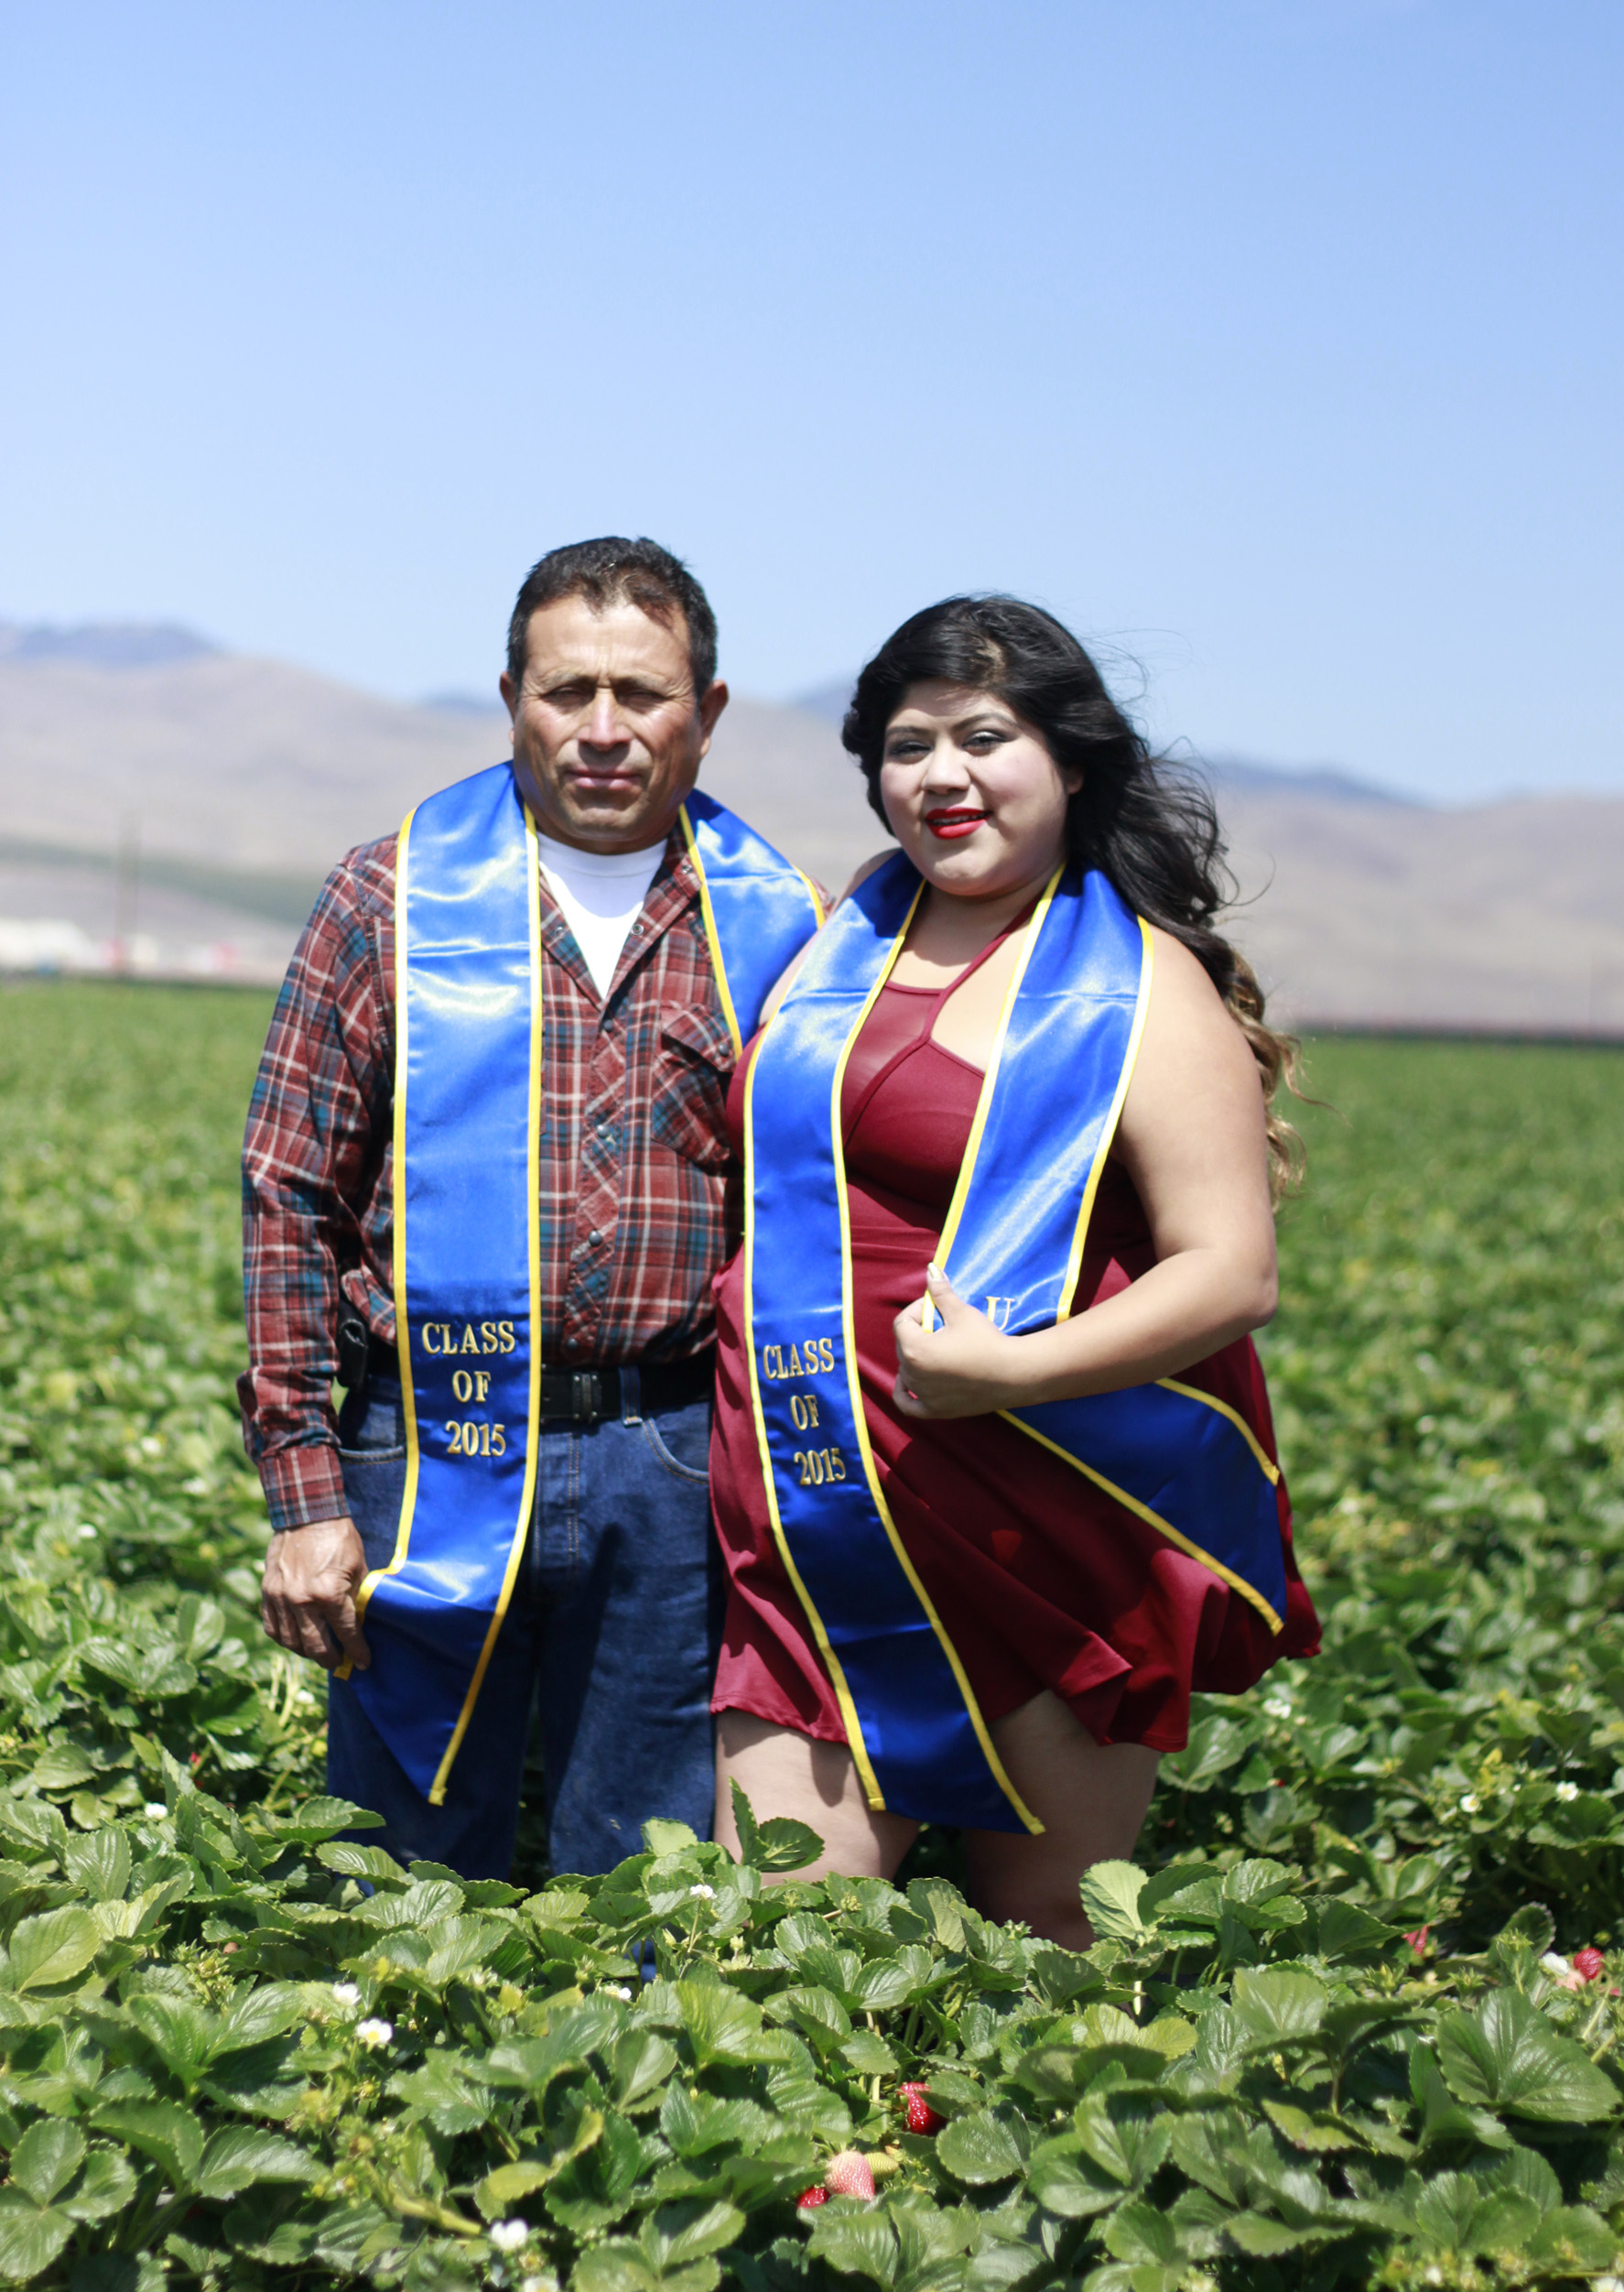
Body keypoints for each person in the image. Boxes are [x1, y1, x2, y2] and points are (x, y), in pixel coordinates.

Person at [709, 595, 1320, 1947]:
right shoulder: (825, 952)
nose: (944, 776)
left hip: (1044, 1518)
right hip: (816, 1509)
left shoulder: (1146, 987)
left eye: (986, 736)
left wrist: (1012, 1374)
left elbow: (1231, 1274)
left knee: (1050, 1942)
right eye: (909, 744)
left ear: (1073, 762)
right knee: (774, 1954)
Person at [241, 537, 822, 1879]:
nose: (604, 731)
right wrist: (302, 1494)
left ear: (708, 712)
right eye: (568, 693)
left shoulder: (782, 920)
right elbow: (288, 1200)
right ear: (511, 694)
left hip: (673, 1461)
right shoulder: (386, 894)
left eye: (643, 693)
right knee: (401, 1861)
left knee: (642, 1876)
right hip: (424, 1448)